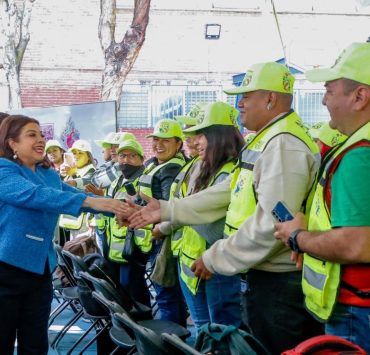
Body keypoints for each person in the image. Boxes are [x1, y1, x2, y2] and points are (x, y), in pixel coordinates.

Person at [128, 62, 323, 353]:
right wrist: (168, 209)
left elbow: (273, 221)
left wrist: (217, 256)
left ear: (270, 99)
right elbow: (231, 191)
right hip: (263, 277)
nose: (239, 103)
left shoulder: (284, 144)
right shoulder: (270, 138)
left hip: (278, 284)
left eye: (246, 95)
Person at [0, 115, 126, 355]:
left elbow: (73, 196)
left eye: (41, 134)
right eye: (31, 135)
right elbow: (36, 196)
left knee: (36, 343)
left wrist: (119, 206)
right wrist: (100, 204)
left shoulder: (47, 173)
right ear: (12, 143)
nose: (41, 140)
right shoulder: (3, 170)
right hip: (6, 270)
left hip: (40, 271)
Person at [274, 42, 370, 352]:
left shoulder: (359, 155)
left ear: (360, 96)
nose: (324, 99)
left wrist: (297, 237)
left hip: (357, 311)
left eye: (329, 90)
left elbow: (356, 244)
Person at [176, 102, 245, 332]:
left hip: (215, 266)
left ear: (218, 137)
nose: (195, 141)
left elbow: (216, 230)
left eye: (201, 134)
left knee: (219, 335)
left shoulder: (229, 172)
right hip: (197, 262)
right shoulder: (205, 167)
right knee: (206, 332)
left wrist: (175, 214)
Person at [139, 118, 188, 326]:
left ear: (178, 144)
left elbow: (170, 206)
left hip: (163, 239)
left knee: (167, 297)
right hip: (154, 238)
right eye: (156, 139)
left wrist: (160, 229)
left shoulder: (172, 169)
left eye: (166, 140)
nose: (159, 144)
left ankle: (171, 344)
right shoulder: (156, 164)